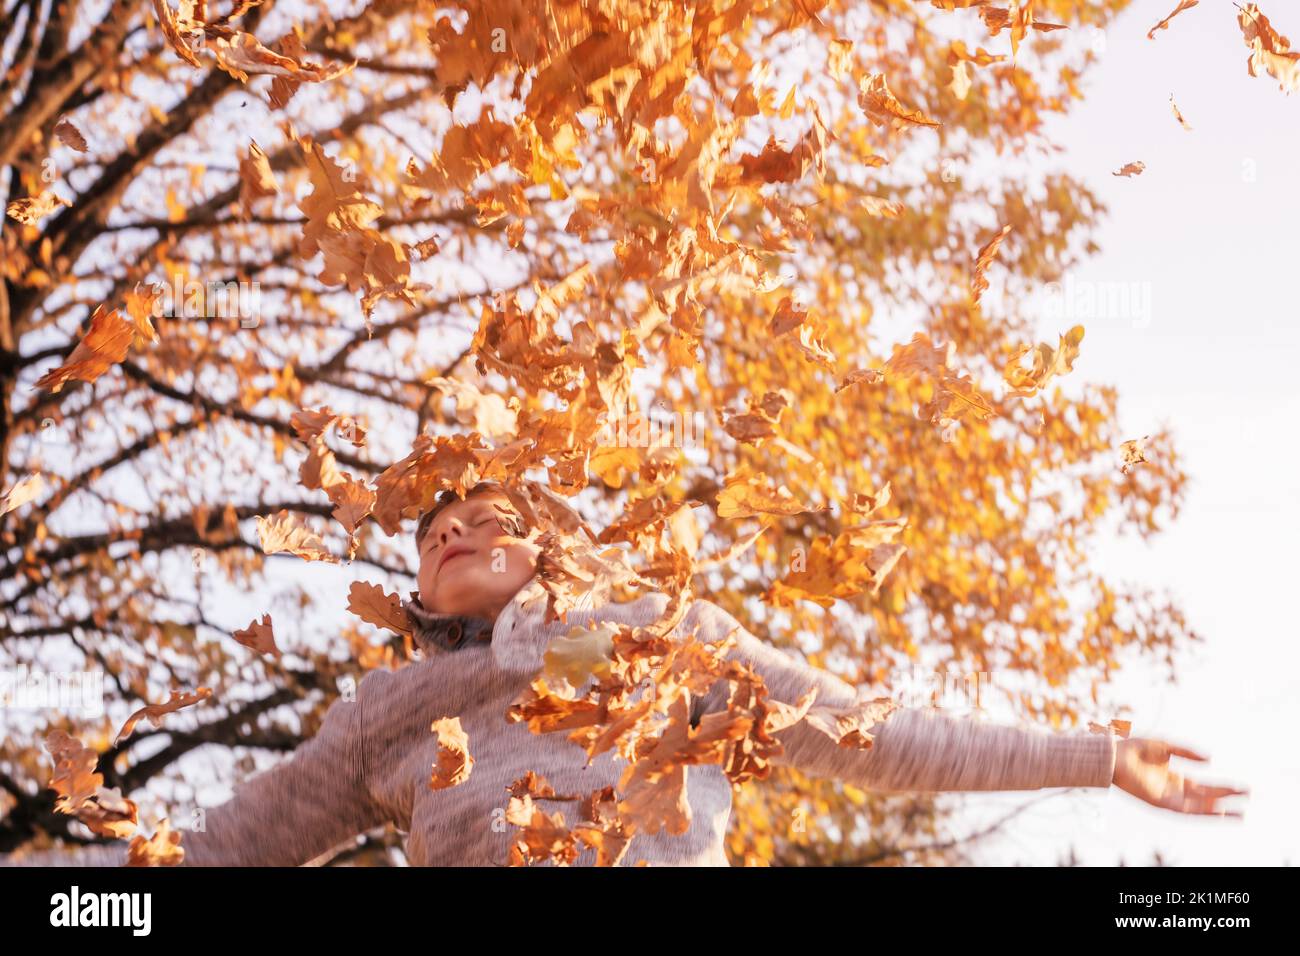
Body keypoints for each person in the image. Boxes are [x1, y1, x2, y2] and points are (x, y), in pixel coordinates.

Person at [1, 481, 1249, 866]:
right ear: (421, 595)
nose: (448, 531)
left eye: (481, 513)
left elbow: (861, 730)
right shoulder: (388, 713)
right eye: (429, 536)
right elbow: (212, 860)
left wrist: (1095, 754)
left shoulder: (660, 630)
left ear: (547, 540)